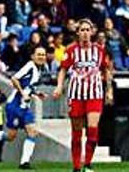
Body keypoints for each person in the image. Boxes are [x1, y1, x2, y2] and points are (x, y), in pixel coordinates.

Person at [52, 19, 114, 172]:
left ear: (92, 32)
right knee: (76, 133)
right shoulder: (71, 50)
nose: (85, 33)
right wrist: (59, 86)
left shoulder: (100, 50)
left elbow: (107, 70)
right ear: (78, 33)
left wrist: (109, 89)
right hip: (76, 94)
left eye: (88, 30)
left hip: (95, 94)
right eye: (82, 30)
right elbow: (63, 70)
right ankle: (76, 167)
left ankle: (87, 164)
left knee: (93, 131)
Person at [3, 46, 49, 169]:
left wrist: (37, 93)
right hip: (15, 105)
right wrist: (23, 93)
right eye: (39, 54)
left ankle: (24, 162)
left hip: (25, 107)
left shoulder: (39, 70)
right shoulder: (30, 66)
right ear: (32, 56)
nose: (41, 57)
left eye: (43, 55)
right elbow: (14, 78)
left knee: (32, 131)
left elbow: (29, 86)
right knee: (11, 136)